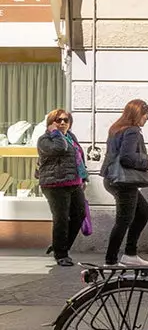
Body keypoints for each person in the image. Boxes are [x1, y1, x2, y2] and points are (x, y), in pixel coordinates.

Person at [102, 99, 148, 268]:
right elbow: (127, 158)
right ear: (137, 114)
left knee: (143, 212)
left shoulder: (116, 129)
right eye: (145, 114)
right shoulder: (132, 131)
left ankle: (130, 253)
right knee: (124, 219)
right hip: (124, 181)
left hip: (113, 179)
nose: (147, 118)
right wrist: (147, 164)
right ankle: (112, 259)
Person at [37, 109, 88, 266]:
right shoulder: (45, 139)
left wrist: (84, 177)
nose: (63, 123)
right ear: (51, 123)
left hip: (73, 182)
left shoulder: (70, 137)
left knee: (80, 215)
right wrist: (56, 133)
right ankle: (61, 254)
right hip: (55, 184)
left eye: (66, 120)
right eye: (58, 120)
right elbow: (60, 149)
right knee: (61, 219)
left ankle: (59, 245)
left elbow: (78, 157)